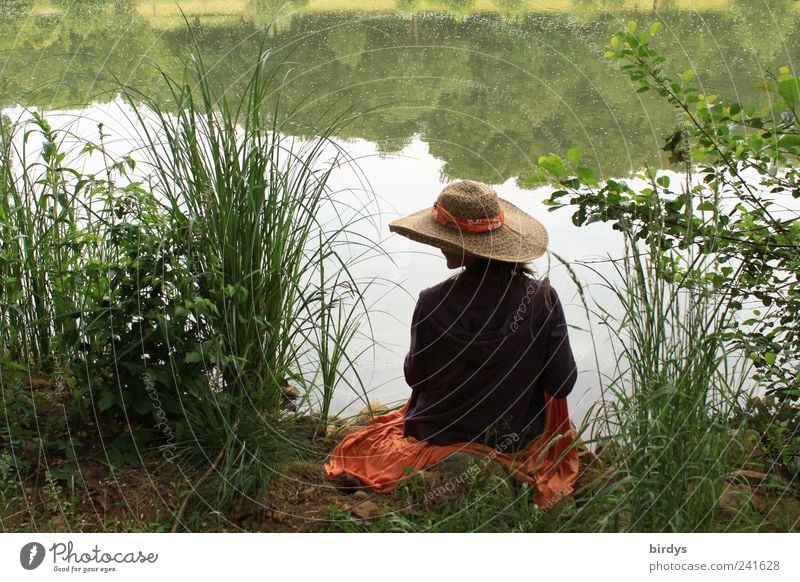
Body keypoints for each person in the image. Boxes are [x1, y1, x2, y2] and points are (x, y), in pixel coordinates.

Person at [325, 180, 580, 509]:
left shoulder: (432, 302)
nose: (439, 246)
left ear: (464, 248)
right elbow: (562, 384)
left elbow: (417, 379)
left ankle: (457, 461)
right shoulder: (542, 298)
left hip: (437, 432)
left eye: (444, 240)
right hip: (516, 436)